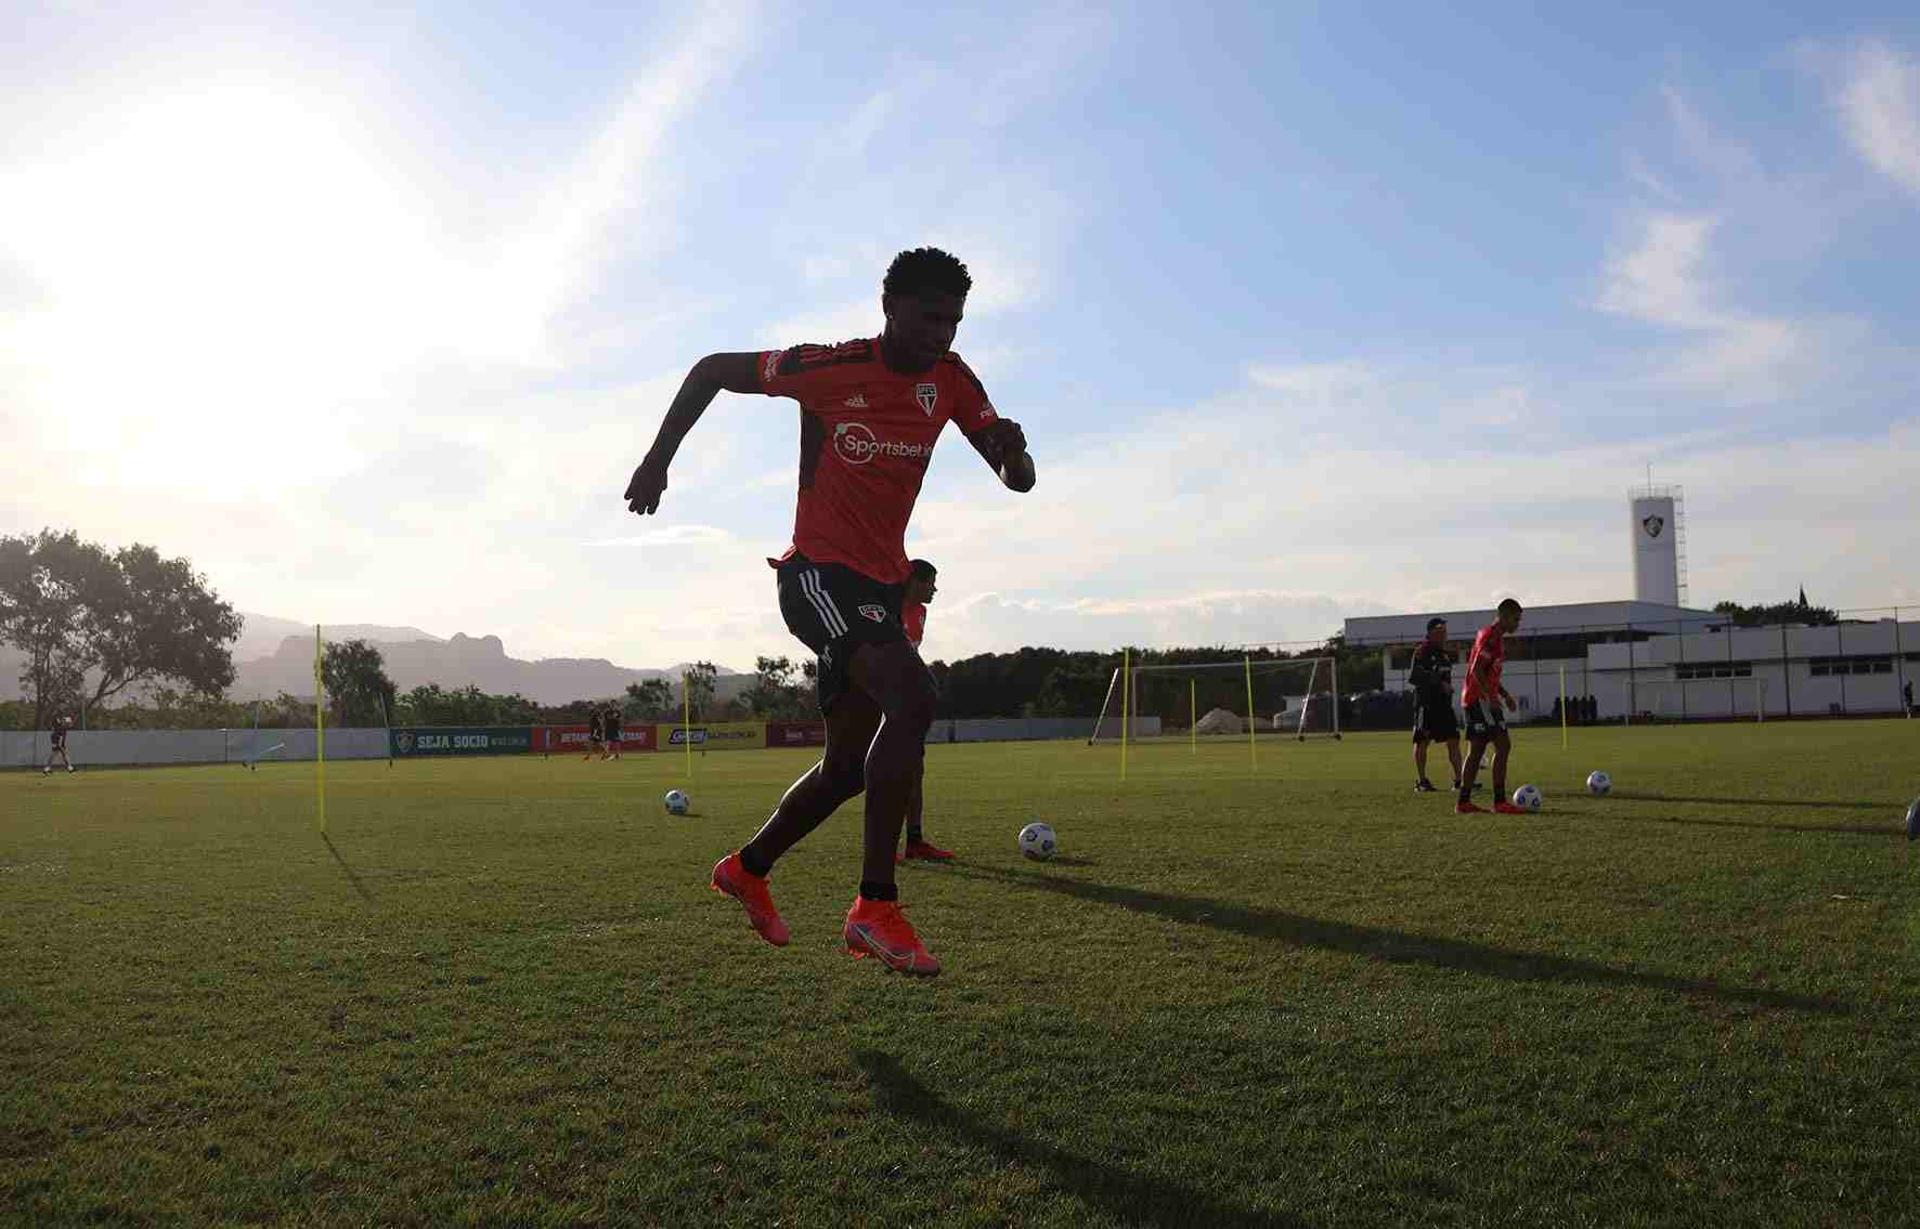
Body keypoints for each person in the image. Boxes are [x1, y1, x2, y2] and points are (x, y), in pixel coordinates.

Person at [624, 247, 1034, 976]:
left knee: (845, 769)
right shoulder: (830, 367)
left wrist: (1014, 455)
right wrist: (660, 458)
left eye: (954, 319)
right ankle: (874, 906)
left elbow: (1016, 479)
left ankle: (747, 868)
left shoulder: (953, 381)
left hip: (878, 588)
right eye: (929, 315)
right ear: (890, 308)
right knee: (915, 697)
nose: (942, 331)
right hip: (816, 575)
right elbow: (712, 367)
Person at [897, 559, 952, 861]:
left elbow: (911, 654)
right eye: (930, 582)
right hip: (878, 699)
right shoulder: (886, 606)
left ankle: (915, 841)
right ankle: (881, 845)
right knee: (879, 773)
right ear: (912, 581)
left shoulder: (921, 612)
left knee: (914, 770)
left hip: (906, 700)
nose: (934, 589)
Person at [1456, 599, 1527, 816]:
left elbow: (1488, 673)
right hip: (1480, 701)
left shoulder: (1494, 637)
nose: (1518, 624)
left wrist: (1504, 695)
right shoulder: (1490, 637)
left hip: (1481, 699)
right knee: (1503, 745)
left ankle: (1464, 802)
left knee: (1477, 751)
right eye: (1516, 619)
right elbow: (1477, 670)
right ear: (1504, 616)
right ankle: (1499, 801)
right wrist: (1490, 696)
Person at [1407, 617, 1463, 793]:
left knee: (1453, 740)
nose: (1444, 635)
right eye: (1440, 631)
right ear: (1431, 633)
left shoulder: (1444, 655)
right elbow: (1414, 677)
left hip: (1444, 706)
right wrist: (1439, 683)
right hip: (1427, 704)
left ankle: (1460, 780)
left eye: (1445, 631)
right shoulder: (1422, 651)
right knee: (1422, 741)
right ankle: (1422, 781)